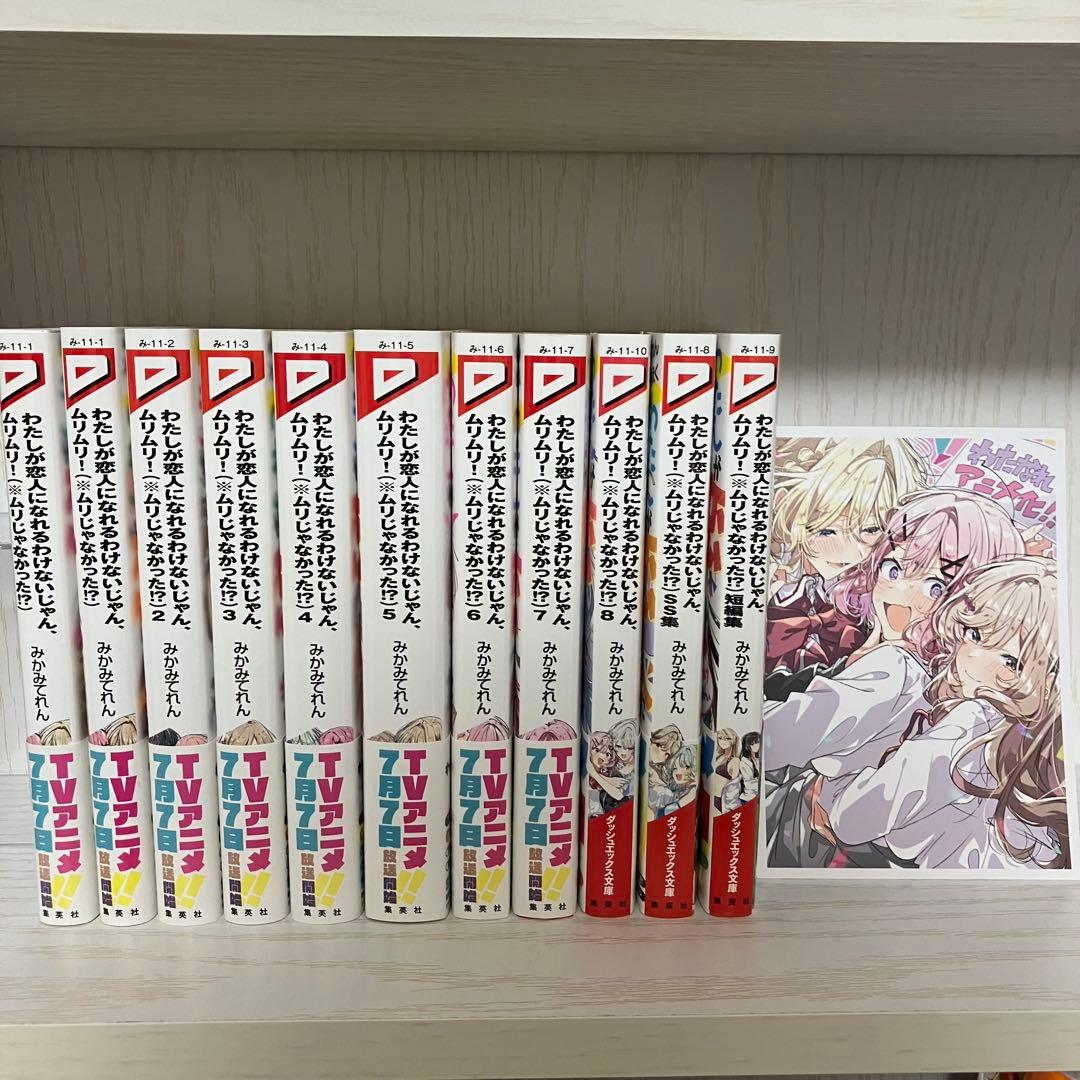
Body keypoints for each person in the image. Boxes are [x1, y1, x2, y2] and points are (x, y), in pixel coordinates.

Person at [813, 558, 1067, 870]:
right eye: (975, 635)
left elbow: (853, 819)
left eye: (1011, 662)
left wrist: (832, 786)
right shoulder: (1031, 742)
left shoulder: (973, 724)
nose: (973, 659)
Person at [766, 438, 928, 676]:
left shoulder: (885, 595)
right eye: (825, 531)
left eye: (871, 530)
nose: (847, 551)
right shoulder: (783, 583)